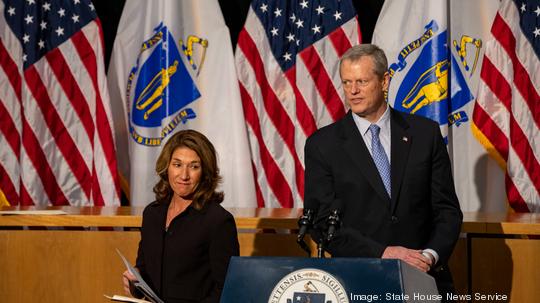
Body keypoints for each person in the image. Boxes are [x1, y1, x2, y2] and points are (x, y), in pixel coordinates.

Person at [304, 44, 462, 297]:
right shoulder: (323, 145)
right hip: (358, 281)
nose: (352, 91)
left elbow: (447, 211)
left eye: (362, 81)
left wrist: (428, 257)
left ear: (385, 80)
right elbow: (321, 222)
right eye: (346, 83)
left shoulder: (425, 134)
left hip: (423, 279)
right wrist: (383, 253)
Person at [123, 129, 239, 303]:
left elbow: (227, 289)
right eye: (177, 165)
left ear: (205, 172)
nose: (184, 175)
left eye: (194, 166)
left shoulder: (218, 221)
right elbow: (144, 268)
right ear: (166, 167)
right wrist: (135, 282)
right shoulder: (152, 214)